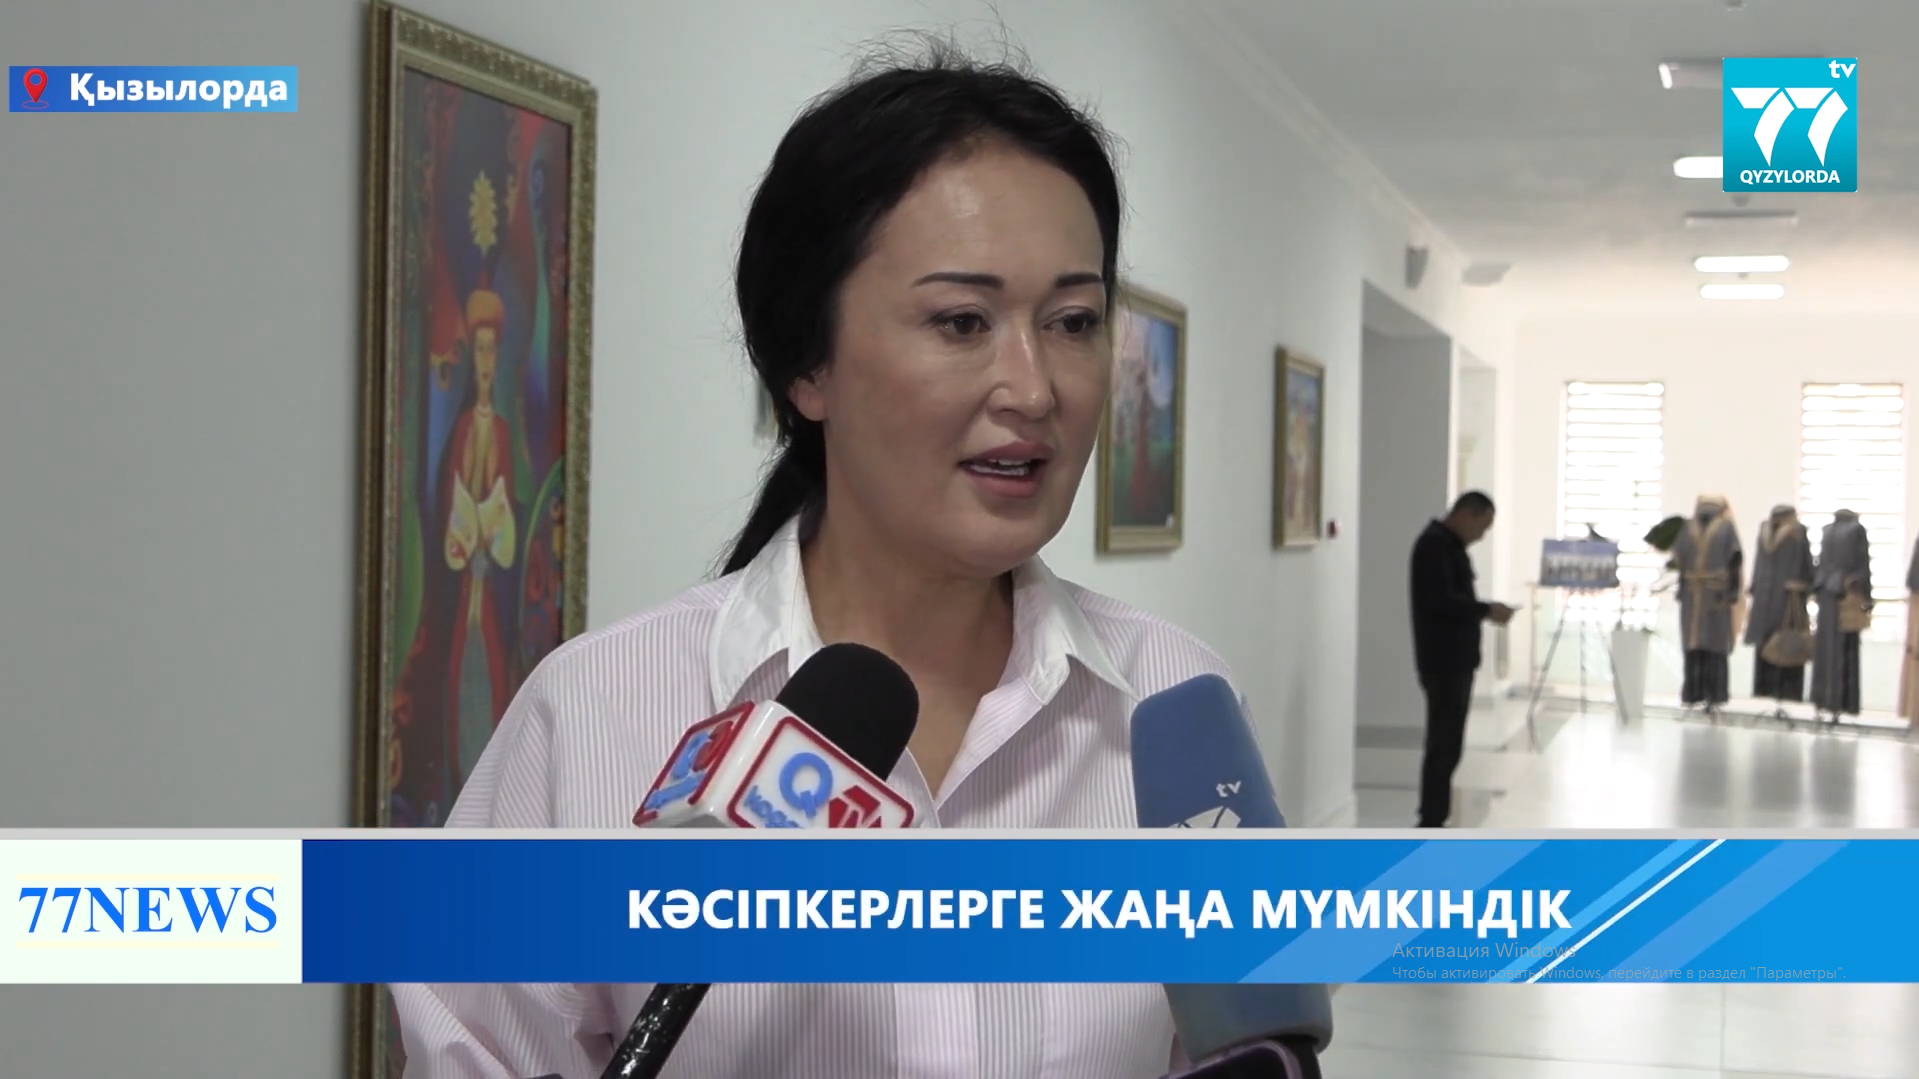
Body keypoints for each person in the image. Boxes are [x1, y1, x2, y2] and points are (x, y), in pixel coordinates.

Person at [392, 41, 1264, 1079]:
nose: (1033, 388)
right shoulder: (595, 715)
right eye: (961, 321)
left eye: (1072, 321)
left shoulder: (1173, 708)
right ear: (807, 363)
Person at [1408, 491, 1511, 828]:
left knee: (1449, 744)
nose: (1482, 535)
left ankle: (1436, 816)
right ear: (1467, 514)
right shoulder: (1434, 546)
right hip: (1443, 662)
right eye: (1482, 526)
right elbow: (1442, 602)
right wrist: (1486, 610)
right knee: (1443, 745)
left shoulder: (1449, 547)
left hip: (1456, 661)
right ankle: (1431, 820)